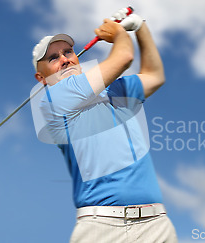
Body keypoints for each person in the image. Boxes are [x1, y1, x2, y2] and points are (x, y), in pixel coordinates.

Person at [31, 9, 177, 243]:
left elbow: (154, 75)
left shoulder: (113, 91)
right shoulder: (53, 99)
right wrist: (119, 33)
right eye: (53, 58)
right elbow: (124, 58)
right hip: (102, 228)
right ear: (42, 78)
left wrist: (140, 28)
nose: (65, 59)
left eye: (68, 51)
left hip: (156, 223)